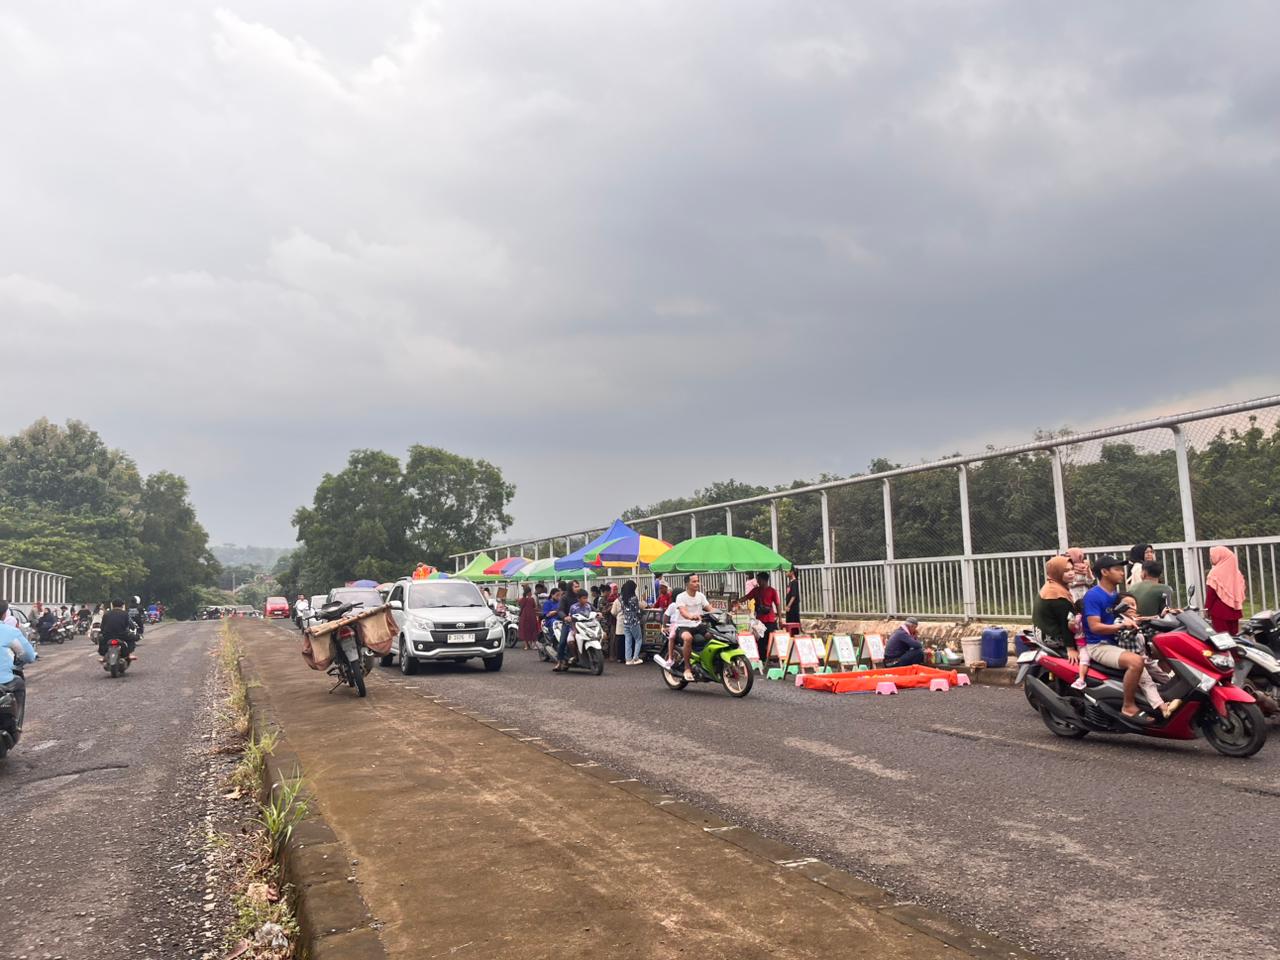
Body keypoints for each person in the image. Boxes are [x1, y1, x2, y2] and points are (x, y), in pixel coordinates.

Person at [1081, 556, 1147, 721]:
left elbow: (1126, 616)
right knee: (1136, 661)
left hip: (1116, 641)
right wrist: (1121, 626)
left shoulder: (1115, 594)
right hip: (1099, 645)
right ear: (1104, 572)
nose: (1122, 573)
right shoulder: (1093, 596)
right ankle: (1128, 706)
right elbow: (1095, 626)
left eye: (1121, 569)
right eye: (1117, 569)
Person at [667, 575, 712, 681]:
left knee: (713, 635)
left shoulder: (700, 596)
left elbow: (709, 608)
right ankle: (687, 668)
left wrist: (723, 614)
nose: (697, 583)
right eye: (694, 581)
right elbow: (683, 611)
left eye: (698, 581)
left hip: (698, 625)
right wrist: (690, 616)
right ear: (687, 584)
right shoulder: (681, 597)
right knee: (688, 638)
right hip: (683, 625)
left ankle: (708, 663)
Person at [0, 602, 37, 722]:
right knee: (19, 683)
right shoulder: (10, 632)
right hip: (4, 681)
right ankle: (16, 724)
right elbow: (27, 655)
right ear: (5, 614)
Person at [1205, 545, 1246, 635]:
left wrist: (1207, 609)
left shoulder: (1214, 573)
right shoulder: (1236, 573)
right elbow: (1240, 591)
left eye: (1212, 556)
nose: (1210, 558)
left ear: (1219, 557)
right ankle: (1234, 650)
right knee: (1234, 637)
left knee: (1222, 639)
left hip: (1219, 612)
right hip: (1234, 611)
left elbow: (1211, 595)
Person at [743, 572, 779, 643]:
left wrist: (780, 618)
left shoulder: (772, 591)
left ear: (764, 580)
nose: (757, 581)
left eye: (759, 580)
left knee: (770, 641)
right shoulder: (756, 590)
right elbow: (746, 597)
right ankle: (762, 654)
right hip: (759, 621)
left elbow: (778, 604)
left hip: (770, 620)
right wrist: (737, 601)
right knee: (760, 641)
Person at [618, 580, 647, 665]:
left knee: (628, 640)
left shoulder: (622, 598)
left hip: (626, 621)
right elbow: (637, 610)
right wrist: (640, 617)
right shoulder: (634, 598)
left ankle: (628, 659)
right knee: (638, 639)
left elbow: (623, 610)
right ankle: (636, 658)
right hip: (634, 621)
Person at [518, 586, 540, 651]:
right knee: (531, 629)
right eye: (530, 592)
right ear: (529, 592)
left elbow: (520, 606)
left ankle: (526, 645)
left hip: (524, 616)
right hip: (531, 615)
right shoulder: (532, 599)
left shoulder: (522, 599)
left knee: (525, 630)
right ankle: (531, 644)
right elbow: (535, 607)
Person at [784, 569, 801, 634]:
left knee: (793, 624)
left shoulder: (794, 582)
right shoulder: (790, 582)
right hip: (790, 608)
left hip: (793, 608)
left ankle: (794, 637)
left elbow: (793, 596)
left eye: (787, 571)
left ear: (792, 572)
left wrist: (788, 606)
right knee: (789, 624)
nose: (786, 572)